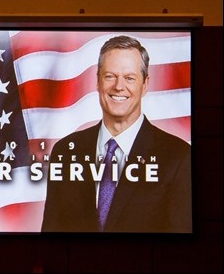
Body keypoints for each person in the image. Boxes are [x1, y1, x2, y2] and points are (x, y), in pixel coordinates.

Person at [41, 35, 192, 233]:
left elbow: (180, 251)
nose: (119, 86)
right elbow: (51, 238)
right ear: (97, 81)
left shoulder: (178, 157)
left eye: (129, 78)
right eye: (110, 76)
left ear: (145, 84)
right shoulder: (65, 152)